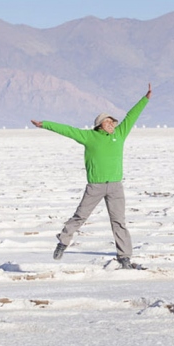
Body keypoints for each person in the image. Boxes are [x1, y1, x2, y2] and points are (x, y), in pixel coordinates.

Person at [33, 84, 151, 270]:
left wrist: (145, 98)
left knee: (119, 221)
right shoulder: (89, 137)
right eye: (108, 122)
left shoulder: (120, 134)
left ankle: (124, 257)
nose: (112, 124)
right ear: (100, 125)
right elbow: (67, 130)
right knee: (80, 216)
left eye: (113, 122)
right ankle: (63, 242)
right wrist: (44, 124)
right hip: (95, 186)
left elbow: (132, 116)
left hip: (115, 186)